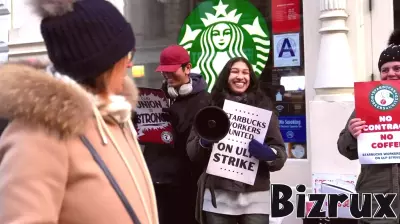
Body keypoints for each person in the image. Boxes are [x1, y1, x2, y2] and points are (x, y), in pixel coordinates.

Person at [0, 0, 158, 223]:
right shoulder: (38, 135)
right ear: (101, 65)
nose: (130, 65)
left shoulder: (115, 116)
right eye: (126, 55)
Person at [186, 57, 287, 224]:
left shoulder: (263, 109)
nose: (240, 76)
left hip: (256, 198)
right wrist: (204, 142)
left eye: (245, 72)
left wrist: (270, 154)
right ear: (226, 76)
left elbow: (280, 155)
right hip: (218, 197)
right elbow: (192, 153)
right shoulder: (210, 108)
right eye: (235, 71)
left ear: (251, 78)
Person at [140, 45, 211, 224]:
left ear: (188, 68)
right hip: (156, 179)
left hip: (185, 184)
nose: (167, 76)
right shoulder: (156, 98)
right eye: (164, 72)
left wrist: (174, 117)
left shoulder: (205, 100)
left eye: (172, 71)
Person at [337, 30, 400, 224]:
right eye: (385, 69)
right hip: (376, 200)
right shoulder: (369, 104)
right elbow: (343, 148)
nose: (390, 73)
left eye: (397, 68)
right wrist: (352, 134)